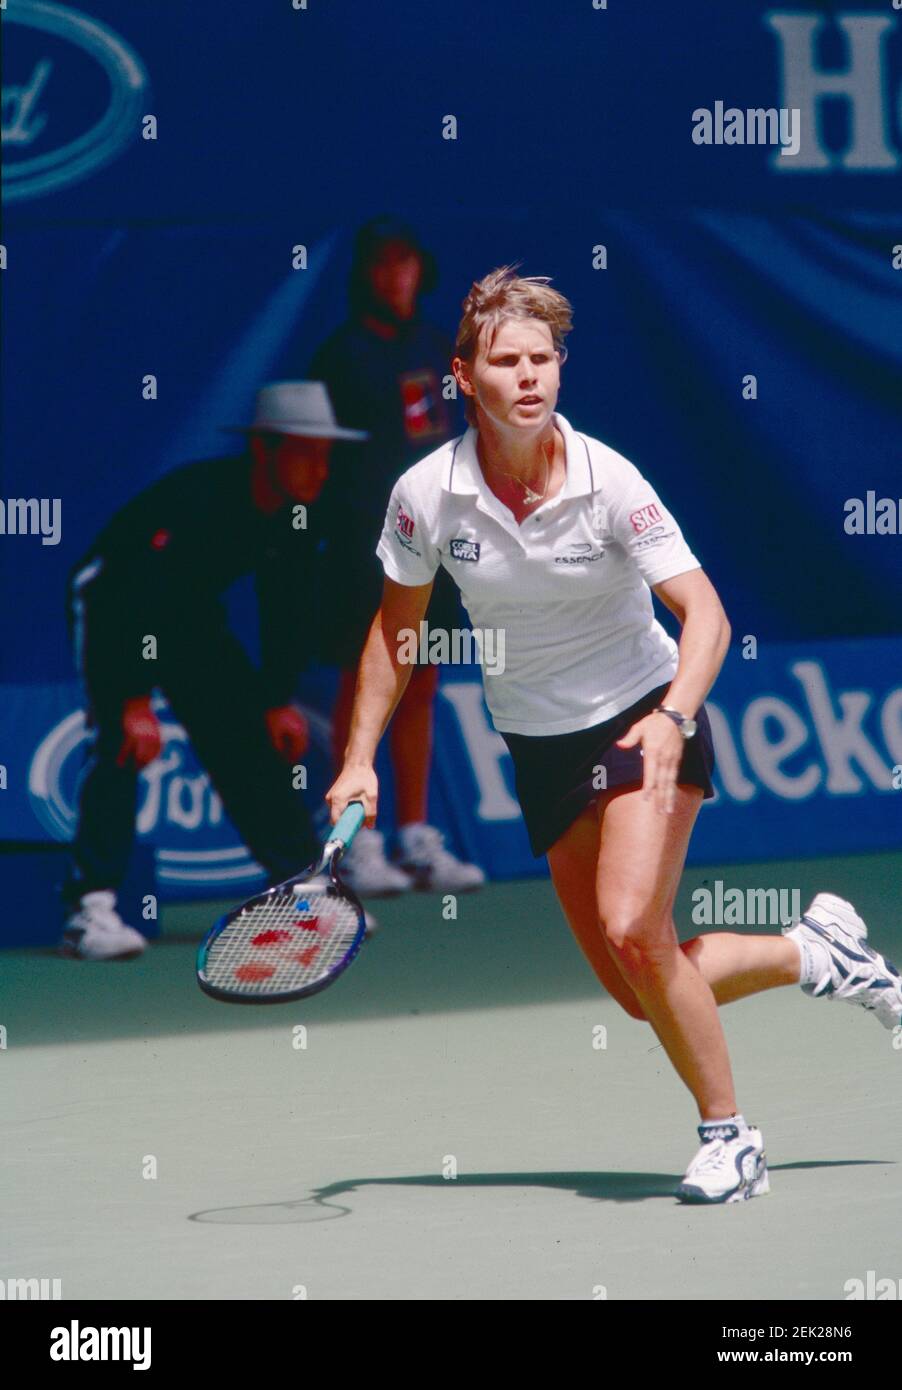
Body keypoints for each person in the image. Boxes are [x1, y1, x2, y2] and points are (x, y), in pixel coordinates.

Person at [324, 266, 902, 1204]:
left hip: (641, 716)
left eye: (543, 359)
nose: (528, 378)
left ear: (560, 369)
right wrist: (356, 760)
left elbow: (705, 615)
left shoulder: (609, 481)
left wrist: (674, 718)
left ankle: (731, 1140)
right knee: (641, 986)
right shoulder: (424, 495)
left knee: (637, 928)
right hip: (538, 747)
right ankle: (817, 952)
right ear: (462, 377)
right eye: (505, 361)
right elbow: (396, 635)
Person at [62, 382, 369, 960]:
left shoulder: (298, 516)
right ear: (264, 452)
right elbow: (130, 593)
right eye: (305, 453)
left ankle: (304, 889)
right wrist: (131, 699)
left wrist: (276, 698)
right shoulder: (200, 499)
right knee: (122, 744)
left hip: (187, 616)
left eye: (325, 456)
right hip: (115, 606)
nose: (319, 470)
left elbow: (288, 610)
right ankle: (89, 908)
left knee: (249, 736)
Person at [307, 217, 485, 897]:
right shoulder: (340, 355)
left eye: (406, 264)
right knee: (363, 687)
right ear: (365, 276)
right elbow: (320, 462)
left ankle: (415, 837)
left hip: (433, 547)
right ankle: (359, 842)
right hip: (361, 546)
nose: (396, 278)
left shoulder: (440, 349)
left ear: (421, 270)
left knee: (423, 683)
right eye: (383, 265)